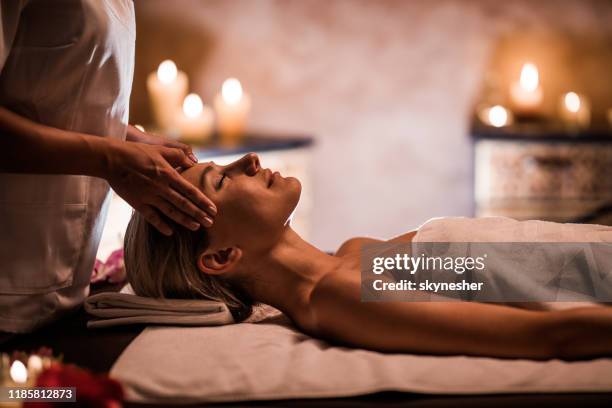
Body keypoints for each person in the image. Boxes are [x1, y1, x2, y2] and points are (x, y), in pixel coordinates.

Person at [124, 153, 612, 360]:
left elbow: (506, 264)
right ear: (222, 256)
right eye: (222, 179)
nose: (248, 161)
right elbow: (548, 334)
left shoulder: (357, 256)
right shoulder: (337, 296)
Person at [0, 1, 216, 333]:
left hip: (64, 277)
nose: (252, 161)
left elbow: (56, 92)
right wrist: (109, 158)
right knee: (21, 388)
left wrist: (123, 136)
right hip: (12, 264)